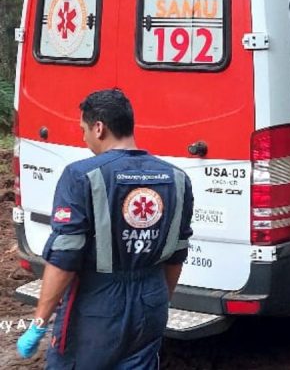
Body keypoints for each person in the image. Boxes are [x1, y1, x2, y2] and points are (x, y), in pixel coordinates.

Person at [16, 88, 194, 369]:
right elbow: (177, 254)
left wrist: (39, 323)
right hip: (152, 300)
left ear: (99, 128)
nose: (83, 137)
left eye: (83, 129)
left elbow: (65, 256)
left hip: (97, 307)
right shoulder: (177, 178)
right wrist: (157, 301)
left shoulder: (81, 175)